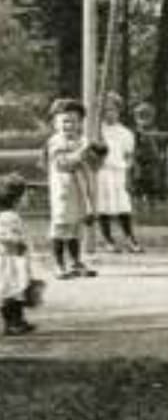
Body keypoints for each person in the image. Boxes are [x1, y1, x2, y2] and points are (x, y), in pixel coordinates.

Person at [45, 98, 101, 279]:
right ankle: (58, 263)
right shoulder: (55, 141)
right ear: (55, 123)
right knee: (62, 225)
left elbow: (94, 165)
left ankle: (75, 261)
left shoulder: (82, 140)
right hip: (63, 189)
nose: (69, 125)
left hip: (81, 189)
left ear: (80, 123)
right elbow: (63, 163)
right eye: (65, 121)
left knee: (76, 225)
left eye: (74, 121)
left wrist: (97, 154)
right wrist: (81, 153)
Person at [93, 94, 141, 253]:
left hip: (118, 172)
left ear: (119, 111)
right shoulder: (95, 131)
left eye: (112, 110)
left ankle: (130, 238)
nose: (109, 114)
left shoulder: (125, 133)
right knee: (103, 206)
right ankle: (108, 240)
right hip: (101, 171)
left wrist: (127, 169)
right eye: (105, 110)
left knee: (123, 206)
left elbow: (129, 156)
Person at [0, 173, 42, 336]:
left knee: (15, 291)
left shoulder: (9, 215)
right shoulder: (9, 217)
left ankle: (17, 320)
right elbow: (6, 236)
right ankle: (12, 323)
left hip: (12, 257)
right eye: (25, 195)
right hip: (9, 258)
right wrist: (18, 242)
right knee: (12, 291)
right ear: (15, 199)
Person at [129, 101, 168, 213]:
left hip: (152, 160)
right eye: (141, 116)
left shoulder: (154, 130)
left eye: (147, 116)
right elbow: (132, 146)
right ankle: (138, 205)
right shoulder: (136, 131)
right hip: (139, 160)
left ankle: (151, 206)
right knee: (138, 183)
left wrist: (160, 153)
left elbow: (159, 144)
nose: (144, 119)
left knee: (152, 183)